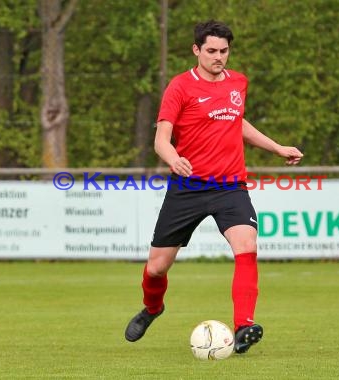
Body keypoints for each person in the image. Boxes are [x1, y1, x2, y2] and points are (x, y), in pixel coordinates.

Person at [124, 20, 303, 354]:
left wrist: (277, 147)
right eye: (211, 51)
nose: (218, 57)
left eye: (223, 51)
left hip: (230, 186)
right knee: (157, 267)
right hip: (187, 188)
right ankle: (152, 309)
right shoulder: (180, 87)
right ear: (196, 50)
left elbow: (238, 122)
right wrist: (174, 158)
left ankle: (243, 328)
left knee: (246, 246)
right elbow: (161, 139)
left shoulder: (238, 82)